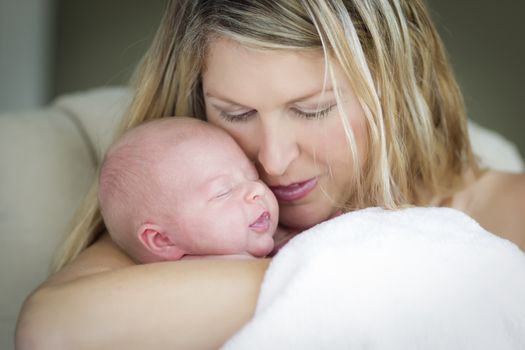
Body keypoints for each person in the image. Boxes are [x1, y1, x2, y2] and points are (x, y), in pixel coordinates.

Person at [16, 0, 525, 349]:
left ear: (393, 93)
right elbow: (54, 332)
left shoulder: (502, 209)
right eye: (235, 114)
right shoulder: (195, 218)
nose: (273, 162)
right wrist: (345, 266)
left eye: (313, 109)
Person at [98, 117, 278, 262]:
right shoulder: (191, 284)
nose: (257, 189)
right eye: (223, 192)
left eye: (253, 176)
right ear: (163, 239)